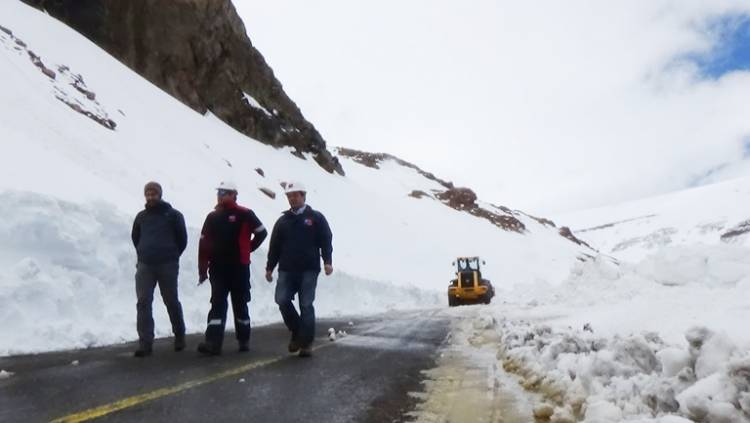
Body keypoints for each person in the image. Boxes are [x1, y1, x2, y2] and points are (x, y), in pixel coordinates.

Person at [197, 181, 267, 355]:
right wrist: (202, 269)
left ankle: (243, 339)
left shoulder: (245, 214)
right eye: (219, 192)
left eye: (224, 192)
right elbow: (204, 243)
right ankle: (213, 343)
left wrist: (248, 248)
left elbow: (262, 232)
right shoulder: (212, 217)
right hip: (218, 268)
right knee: (217, 304)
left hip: (239, 268)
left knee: (240, 303)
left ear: (234, 195)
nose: (221, 195)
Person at [265, 181, 333, 357]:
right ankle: (298, 332)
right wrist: (270, 267)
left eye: (295, 195)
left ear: (303, 195)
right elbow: (275, 246)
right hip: (287, 269)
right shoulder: (283, 221)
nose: (292, 199)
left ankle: (306, 343)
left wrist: (327, 261)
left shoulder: (316, 218)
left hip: (309, 268)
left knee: (306, 304)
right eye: (289, 196)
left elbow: (326, 239)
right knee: (282, 300)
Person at [131, 181, 188, 357]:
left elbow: (182, 239)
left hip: (167, 264)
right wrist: (142, 253)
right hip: (145, 265)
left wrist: (172, 255)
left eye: (153, 193)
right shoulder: (141, 217)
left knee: (170, 299)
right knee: (143, 302)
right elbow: (136, 237)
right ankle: (145, 343)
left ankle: (179, 334)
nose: (150, 196)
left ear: (160, 194)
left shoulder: (173, 215)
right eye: (148, 193)